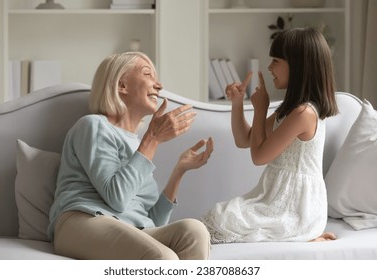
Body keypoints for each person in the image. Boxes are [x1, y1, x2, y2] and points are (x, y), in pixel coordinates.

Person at [47, 52, 214, 259]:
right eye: (147, 75)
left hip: (131, 229)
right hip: (82, 220)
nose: (159, 85)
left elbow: (153, 222)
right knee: (164, 258)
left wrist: (179, 170)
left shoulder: (138, 143)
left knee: (194, 230)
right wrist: (152, 139)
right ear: (121, 85)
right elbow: (116, 197)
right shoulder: (93, 125)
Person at [202, 27, 338, 243]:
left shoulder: (304, 114)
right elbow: (244, 139)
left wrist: (260, 109)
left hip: (295, 208)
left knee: (219, 219)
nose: (269, 67)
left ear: (298, 66)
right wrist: (238, 103)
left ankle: (305, 234)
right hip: (273, 199)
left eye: (276, 60)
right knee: (218, 217)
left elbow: (259, 157)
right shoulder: (290, 110)